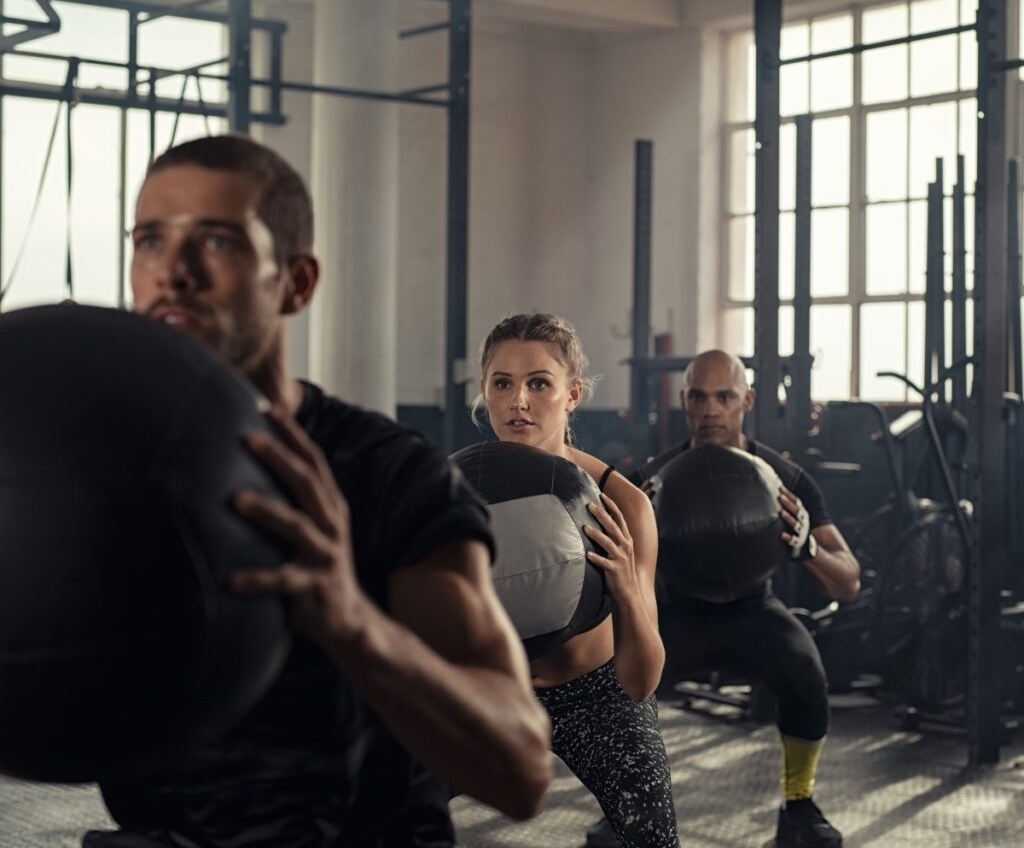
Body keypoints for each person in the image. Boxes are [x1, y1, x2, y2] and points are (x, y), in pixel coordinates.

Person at [84, 135, 553, 847]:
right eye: (150, 240)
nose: (171, 273)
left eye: (216, 241)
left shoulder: (389, 471)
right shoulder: (105, 463)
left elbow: (520, 770)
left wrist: (350, 617)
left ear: (296, 283)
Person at [637, 349, 861, 848]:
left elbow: (848, 581)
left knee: (805, 671)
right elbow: (606, 572)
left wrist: (808, 549)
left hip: (752, 610)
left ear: (747, 401)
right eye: (699, 397)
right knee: (616, 681)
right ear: (684, 401)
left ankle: (799, 808)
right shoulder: (654, 478)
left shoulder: (785, 478)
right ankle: (625, 809)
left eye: (725, 397)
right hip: (678, 612)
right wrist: (638, 530)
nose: (711, 409)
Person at [475, 314, 679, 848]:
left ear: (572, 395)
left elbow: (640, 682)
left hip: (595, 694)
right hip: (492, 690)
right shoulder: (454, 491)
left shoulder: (624, 506)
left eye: (539, 383)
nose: (519, 400)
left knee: (651, 823)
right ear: (485, 393)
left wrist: (627, 591)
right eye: (503, 383)